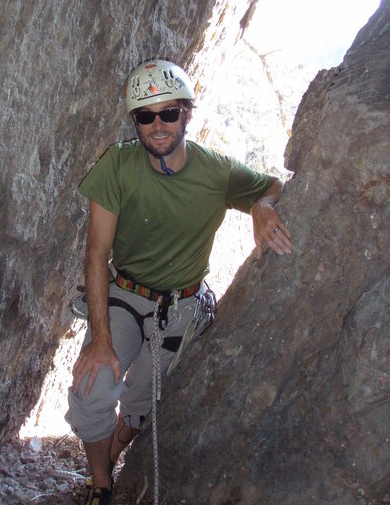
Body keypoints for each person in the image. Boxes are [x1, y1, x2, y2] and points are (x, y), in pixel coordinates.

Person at [66, 59, 292, 505]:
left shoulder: (216, 172)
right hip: (127, 294)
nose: (158, 125)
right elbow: (96, 253)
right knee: (92, 388)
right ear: (136, 122)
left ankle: (107, 458)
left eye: (169, 113)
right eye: (146, 116)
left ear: (188, 113)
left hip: (182, 308)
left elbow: (268, 185)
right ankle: (101, 484)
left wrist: (262, 207)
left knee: (142, 401)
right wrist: (101, 339)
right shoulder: (118, 166)